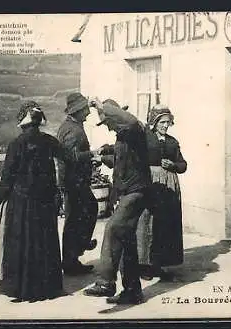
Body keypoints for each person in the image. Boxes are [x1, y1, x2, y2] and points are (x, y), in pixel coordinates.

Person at [0, 101, 66, 302]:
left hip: (21, 202)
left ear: (23, 123)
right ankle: (48, 287)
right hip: (45, 201)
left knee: (22, 242)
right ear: (38, 122)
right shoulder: (49, 141)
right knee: (43, 242)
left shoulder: (16, 144)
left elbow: (8, 177)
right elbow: (67, 159)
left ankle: (20, 288)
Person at [83, 98, 151, 305]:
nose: (109, 127)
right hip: (129, 190)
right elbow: (123, 162)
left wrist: (101, 106)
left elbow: (128, 120)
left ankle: (106, 282)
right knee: (125, 240)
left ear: (116, 116)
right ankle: (132, 290)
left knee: (113, 228)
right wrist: (105, 156)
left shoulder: (134, 130)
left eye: (109, 121)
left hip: (137, 191)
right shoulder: (123, 137)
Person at [137, 104, 187, 281]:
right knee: (147, 223)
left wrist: (174, 166)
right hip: (150, 184)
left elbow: (183, 165)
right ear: (154, 122)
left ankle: (159, 264)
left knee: (165, 225)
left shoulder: (172, 142)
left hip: (169, 187)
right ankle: (143, 265)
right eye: (162, 122)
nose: (166, 126)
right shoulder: (145, 139)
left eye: (168, 122)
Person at [57, 92, 101, 275]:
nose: (88, 113)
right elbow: (71, 156)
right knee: (79, 216)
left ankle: (74, 255)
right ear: (76, 111)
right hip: (73, 182)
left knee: (79, 216)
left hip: (75, 180)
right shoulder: (73, 130)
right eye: (85, 110)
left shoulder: (72, 125)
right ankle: (74, 255)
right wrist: (93, 154)